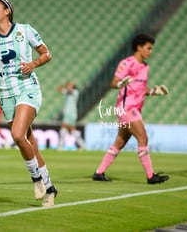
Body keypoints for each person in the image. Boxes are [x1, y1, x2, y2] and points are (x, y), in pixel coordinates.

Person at [0, 0, 58, 206]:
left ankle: (36, 179)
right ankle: (50, 188)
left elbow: (47, 54)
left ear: (6, 12)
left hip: (27, 88)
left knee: (18, 134)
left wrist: (34, 63)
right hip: (4, 94)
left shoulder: (25, 30)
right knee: (30, 144)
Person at [92, 33, 170, 184]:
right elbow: (114, 82)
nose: (150, 52)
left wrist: (154, 91)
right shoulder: (127, 63)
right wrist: (121, 83)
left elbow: (140, 88)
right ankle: (150, 176)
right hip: (126, 107)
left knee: (120, 142)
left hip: (135, 108)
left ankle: (99, 172)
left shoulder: (145, 67)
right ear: (139, 47)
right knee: (143, 138)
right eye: (149, 48)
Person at [57, 81, 85, 151]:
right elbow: (59, 88)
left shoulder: (75, 92)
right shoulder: (67, 92)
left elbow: (69, 90)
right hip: (67, 114)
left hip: (71, 114)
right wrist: (64, 84)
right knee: (72, 130)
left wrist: (67, 86)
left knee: (64, 128)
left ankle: (60, 146)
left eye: (71, 85)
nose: (69, 86)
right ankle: (82, 144)